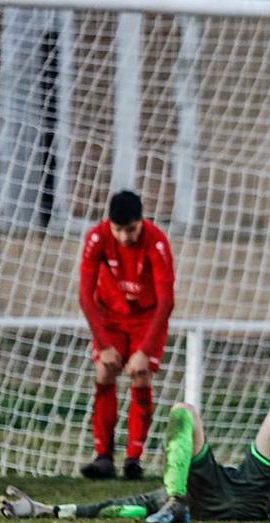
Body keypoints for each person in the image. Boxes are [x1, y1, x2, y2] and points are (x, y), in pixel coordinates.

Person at [0, 402, 270, 523]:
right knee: (182, 411)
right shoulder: (154, 501)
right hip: (204, 491)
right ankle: (176, 500)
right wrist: (45, 509)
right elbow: (113, 508)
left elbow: (112, 509)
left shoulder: (262, 506)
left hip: (260, 493)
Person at [78, 190, 175, 481]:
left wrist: (145, 349)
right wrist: (104, 345)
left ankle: (134, 458)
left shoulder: (157, 242)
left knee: (141, 375)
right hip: (110, 316)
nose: (124, 237)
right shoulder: (97, 238)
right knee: (104, 371)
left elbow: (167, 301)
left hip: (147, 317)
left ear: (141, 222)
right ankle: (103, 457)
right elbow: (85, 295)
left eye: (130, 229)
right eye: (118, 229)